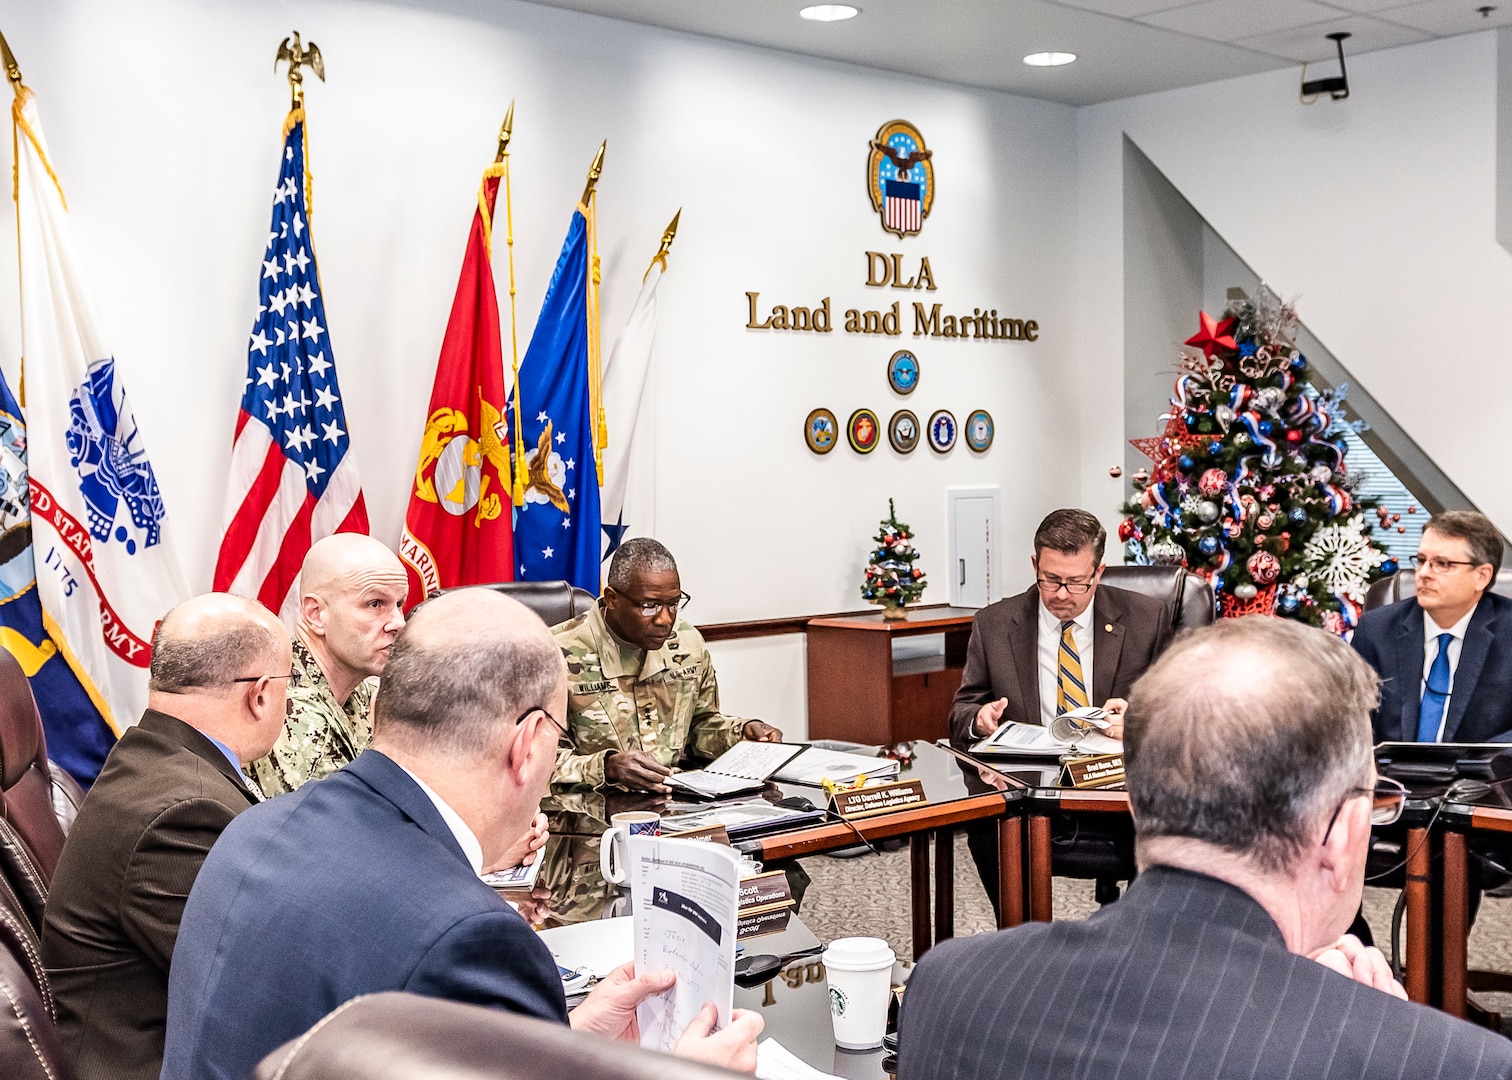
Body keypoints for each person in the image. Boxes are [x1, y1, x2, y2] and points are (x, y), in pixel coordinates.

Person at [161, 589, 762, 1080]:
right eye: (559, 739)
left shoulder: (251, 830)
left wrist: (569, 1043)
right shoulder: (470, 939)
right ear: (527, 746)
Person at [901, 617, 1512, 1080]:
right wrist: (1383, 1037)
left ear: (1137, 804)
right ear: (1345, 830)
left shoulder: (949, 986)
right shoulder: (1456, 1065)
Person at [40, 594, 289, 1080]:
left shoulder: (152, 754)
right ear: (259, 695)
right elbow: (253, 984)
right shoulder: (185, 812)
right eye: (289, 684)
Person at [950, 508, 1172, 908]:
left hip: (1117, 798)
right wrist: (980, 720)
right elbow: (963, 709)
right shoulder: (995, 624)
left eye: (1076, 582)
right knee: (984, 822)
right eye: (1050, 579)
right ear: (1035, 564)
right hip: (1029, 796)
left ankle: (1137, 945)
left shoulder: (1145, 618)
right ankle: (1022, 942)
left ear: (1099, 571)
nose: (1062, 594)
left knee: (1165, 827)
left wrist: (1139, 721)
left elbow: (1180, 709)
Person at [552, 538, 781, 791]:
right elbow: (528, 765)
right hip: (586, 813)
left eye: (673, 604)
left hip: (675, 802)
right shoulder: (554, 654)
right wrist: (608, 767)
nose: (665, 619)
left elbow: (699, 726)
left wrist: (741, 734)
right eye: (650, 606)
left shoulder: (686, 643)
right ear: (612, 599)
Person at [247, 532, 408, 796]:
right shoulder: (286, 707)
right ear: (316, 615)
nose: (398, 623)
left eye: (399, 603)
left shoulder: (360, 691)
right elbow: (345, 828)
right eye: (375, 603)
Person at [1352, 510, 1512, 743]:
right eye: (1421, 561)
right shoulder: (1377, 630)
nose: (1424, 573)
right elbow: (1351, 721)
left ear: (1482, 576)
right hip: (1394, 775)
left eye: (1442, 564)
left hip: (1482, 777)